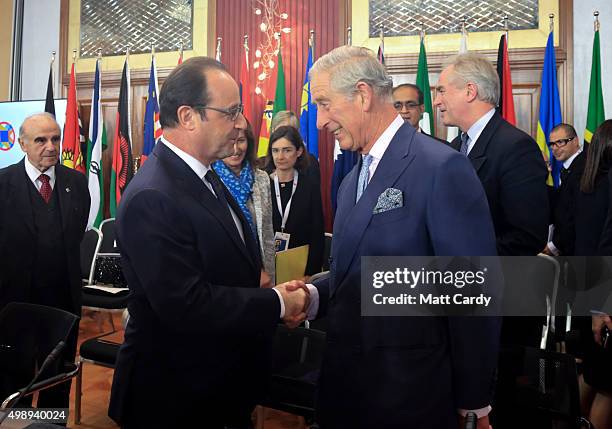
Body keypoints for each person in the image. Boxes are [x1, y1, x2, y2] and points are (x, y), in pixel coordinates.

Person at [305, 45, 500, 429]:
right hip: (348, 389)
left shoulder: (441, 167)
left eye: (325, 104)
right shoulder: (349, 182)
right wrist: (314, 296)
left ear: (362, 95)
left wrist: (474, 401)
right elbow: (363, 274)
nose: (320, 120)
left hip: (410, 396)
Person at [108, 57, 308, 429]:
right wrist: (278, 302)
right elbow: (186, 304)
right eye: (230, 111)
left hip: (218, 386)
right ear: (188, 116)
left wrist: (266, 286)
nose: (241, 124)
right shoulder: (154, 194)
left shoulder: (205, 174)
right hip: (176, 398)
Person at [0, 112, 90, 408]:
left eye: (55, 138)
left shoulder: (76, 184)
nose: (50, 146)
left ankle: (52, 426)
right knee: (15, 382)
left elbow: (75, 236)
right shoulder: (3, 185)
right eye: (41, 140)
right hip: (15, 302)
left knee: (57, 380)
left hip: (63, 302)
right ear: (23, 144)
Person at [435, 53, 549, 257]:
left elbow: (527, 236)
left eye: (442, 91)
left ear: (470, 91)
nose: (436, 102)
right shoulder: (455, 146)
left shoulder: (517, 148)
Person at [213, 121, 275, 287]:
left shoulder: (261, 178)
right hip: (226, 275)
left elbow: (267, 232)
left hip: (262, 273)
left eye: (240, 140)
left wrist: (269, 273)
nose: (236, 148)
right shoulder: (209, 180)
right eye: (230, 141)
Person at [267, 125, 325, 277]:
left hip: (300, 267)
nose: (280, 156)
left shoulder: (309, 185)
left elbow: (317, 231)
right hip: (267, 268)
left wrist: (310, 273)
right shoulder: (263, 184)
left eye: (287, 150)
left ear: (298, 151)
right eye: (275, 150)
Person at [542, 123, 585, 256]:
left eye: (560, 142)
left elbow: (575, 214)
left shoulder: (582, 169)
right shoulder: (567, 169)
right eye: (552, 144)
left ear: (576, 141)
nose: (555, 148)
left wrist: (554, 246)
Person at [269, 109, 321, 186]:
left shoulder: (310, 163)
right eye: (279, 131)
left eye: (288, 130)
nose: (283, 135)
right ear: (272, 131)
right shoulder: (262, 166)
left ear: (297, 132)